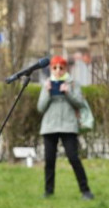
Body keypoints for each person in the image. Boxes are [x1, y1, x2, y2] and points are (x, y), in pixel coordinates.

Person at [37, 55, 94, 200]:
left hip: (68, 126)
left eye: (61, 67)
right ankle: (48, 191)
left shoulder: (73, 84)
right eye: (54, 67)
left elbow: (80, 104)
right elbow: (40, 108)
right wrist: (48, 92)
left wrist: (67, 93)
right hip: (50, 126)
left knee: (74, 158)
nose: (58, 70)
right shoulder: (47, 84)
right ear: (51, 69)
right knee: (49, 161)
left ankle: (85, 190)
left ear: (65, 68)